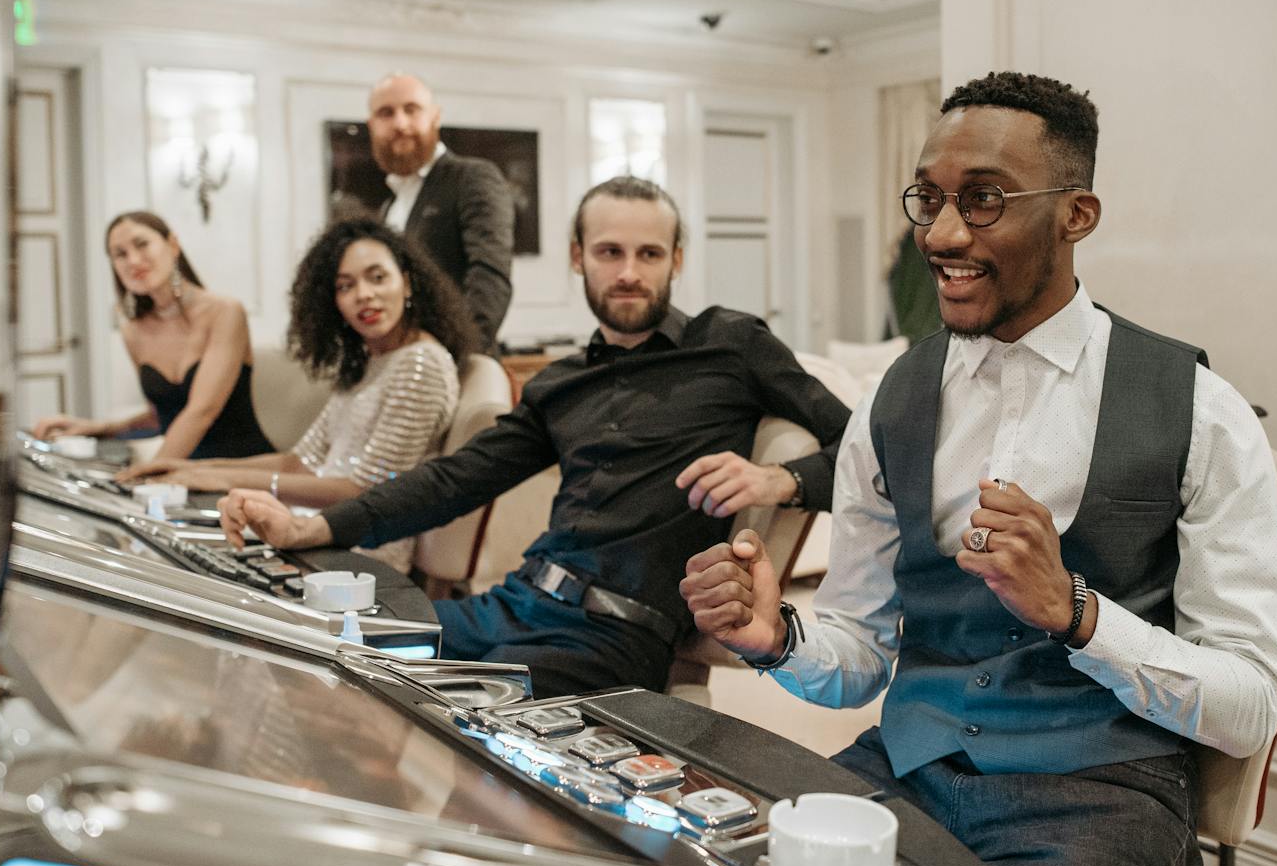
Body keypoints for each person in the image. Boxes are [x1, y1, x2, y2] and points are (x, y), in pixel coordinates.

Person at [678, 72, 1277, 866]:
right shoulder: (892, 397)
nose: (941, 234)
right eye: (929, 198)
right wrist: (778, 637)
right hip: (906, 769)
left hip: (1097, 802)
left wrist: (1079, 613)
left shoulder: (1201, 412)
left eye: (983, 200)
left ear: (1077, 213)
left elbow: (1251, 703)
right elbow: (858, 653)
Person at [216, 176, 853, 698]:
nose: (628, 272)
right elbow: (454, 479)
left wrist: (783, 480)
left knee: (451, 711)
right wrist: (312, 530)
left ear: (677, 261)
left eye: (649, 254)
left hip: (613, 633)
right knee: (326, 643)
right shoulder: (559, 384)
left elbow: (864, 449)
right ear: (578, 256)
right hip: (515, 602)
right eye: (609, 252)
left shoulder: (730, 345)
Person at [118, 218, 473, 574]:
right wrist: (192, 469)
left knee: (161, 572)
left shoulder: (420, 364)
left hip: (357, 556)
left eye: (377, 277)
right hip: (310, 531)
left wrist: (223, 478)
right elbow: (298, 462)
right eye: (345, 286)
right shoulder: (373, 360)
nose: (363, 294)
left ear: (407, 283)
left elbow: (366, 492)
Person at [32, 210, 272, 460]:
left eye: (142, 244)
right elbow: (161, 416)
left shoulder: (225, 312)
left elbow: (202, 412)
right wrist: (98, 428)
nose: (134, 261)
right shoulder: (132, 332)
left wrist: (148, 478)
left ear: (173, 245)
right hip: (180, 474)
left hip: (240, 469)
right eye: (120, 254)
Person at [367, 72, 516, 353]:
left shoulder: (473, 177)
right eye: (386, 113)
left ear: (435, 116)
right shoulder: (389, 207)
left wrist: (452, 356)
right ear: (371, 125)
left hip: (457, 369)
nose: (400, 123)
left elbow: (490, 274)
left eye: (411, 109)